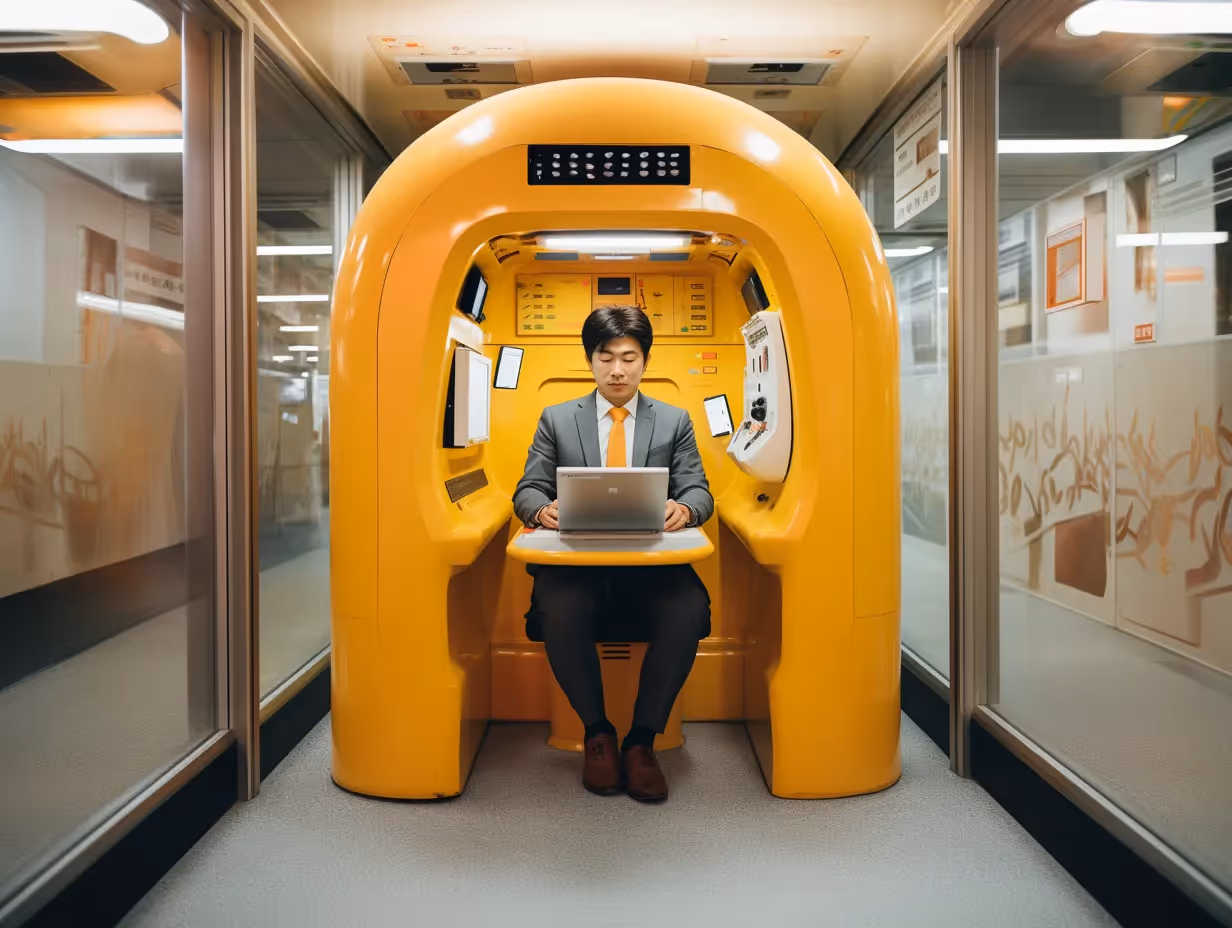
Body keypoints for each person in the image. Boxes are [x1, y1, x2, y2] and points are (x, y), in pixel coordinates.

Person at [513, 306, 713, 803]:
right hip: (577, 565)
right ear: (591, 361)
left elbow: (701, 492)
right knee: (558, 608)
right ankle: (598, 734)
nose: (618, 370)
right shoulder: (557, 419)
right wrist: (542, 512)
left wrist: (685, 511)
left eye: (629, 357)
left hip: (651, 565)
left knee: (688, 609)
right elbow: (527, 490)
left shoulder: (674, 421)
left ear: (645, 360)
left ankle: (642, 741)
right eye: (606, 357)